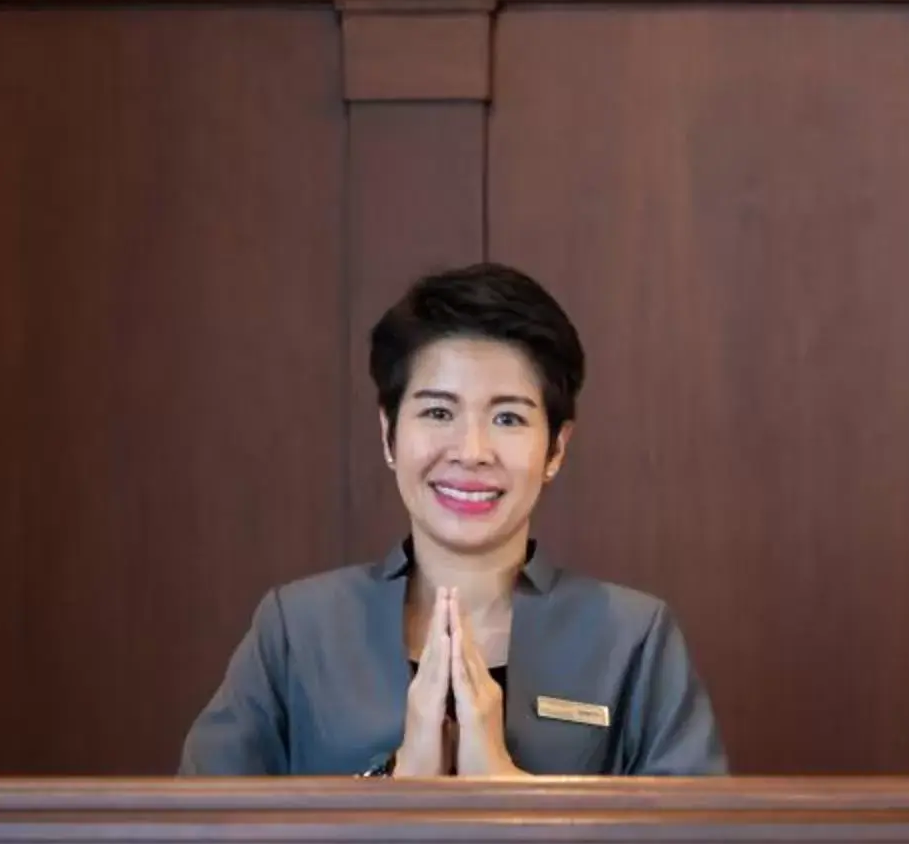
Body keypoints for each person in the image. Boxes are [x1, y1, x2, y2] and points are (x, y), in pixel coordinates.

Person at [180, 264, 725, 776]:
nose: (471, 451)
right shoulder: (296, 629)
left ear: (556, 448)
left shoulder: (634, 638)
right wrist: (401, 780)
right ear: (389, 433)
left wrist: (507, 787)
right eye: (438, 412)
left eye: (508, 417)